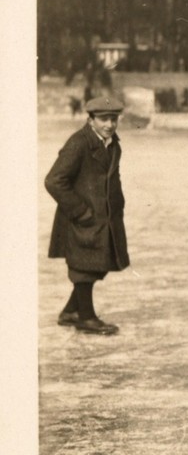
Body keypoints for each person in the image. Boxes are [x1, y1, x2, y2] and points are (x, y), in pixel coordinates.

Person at [45, 95, 132, 335]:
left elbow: (112, 178)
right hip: (82, 218)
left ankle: (71, 311)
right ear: (90, 119)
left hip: (105, 217)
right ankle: (86, 316)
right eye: (104, 119)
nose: (110, 125)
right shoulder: (78, 143)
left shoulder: (113, 144)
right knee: (84, 266)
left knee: (99, 263)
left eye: (113, 119)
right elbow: (54, 181)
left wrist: (118, 204)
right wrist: (80, 211)